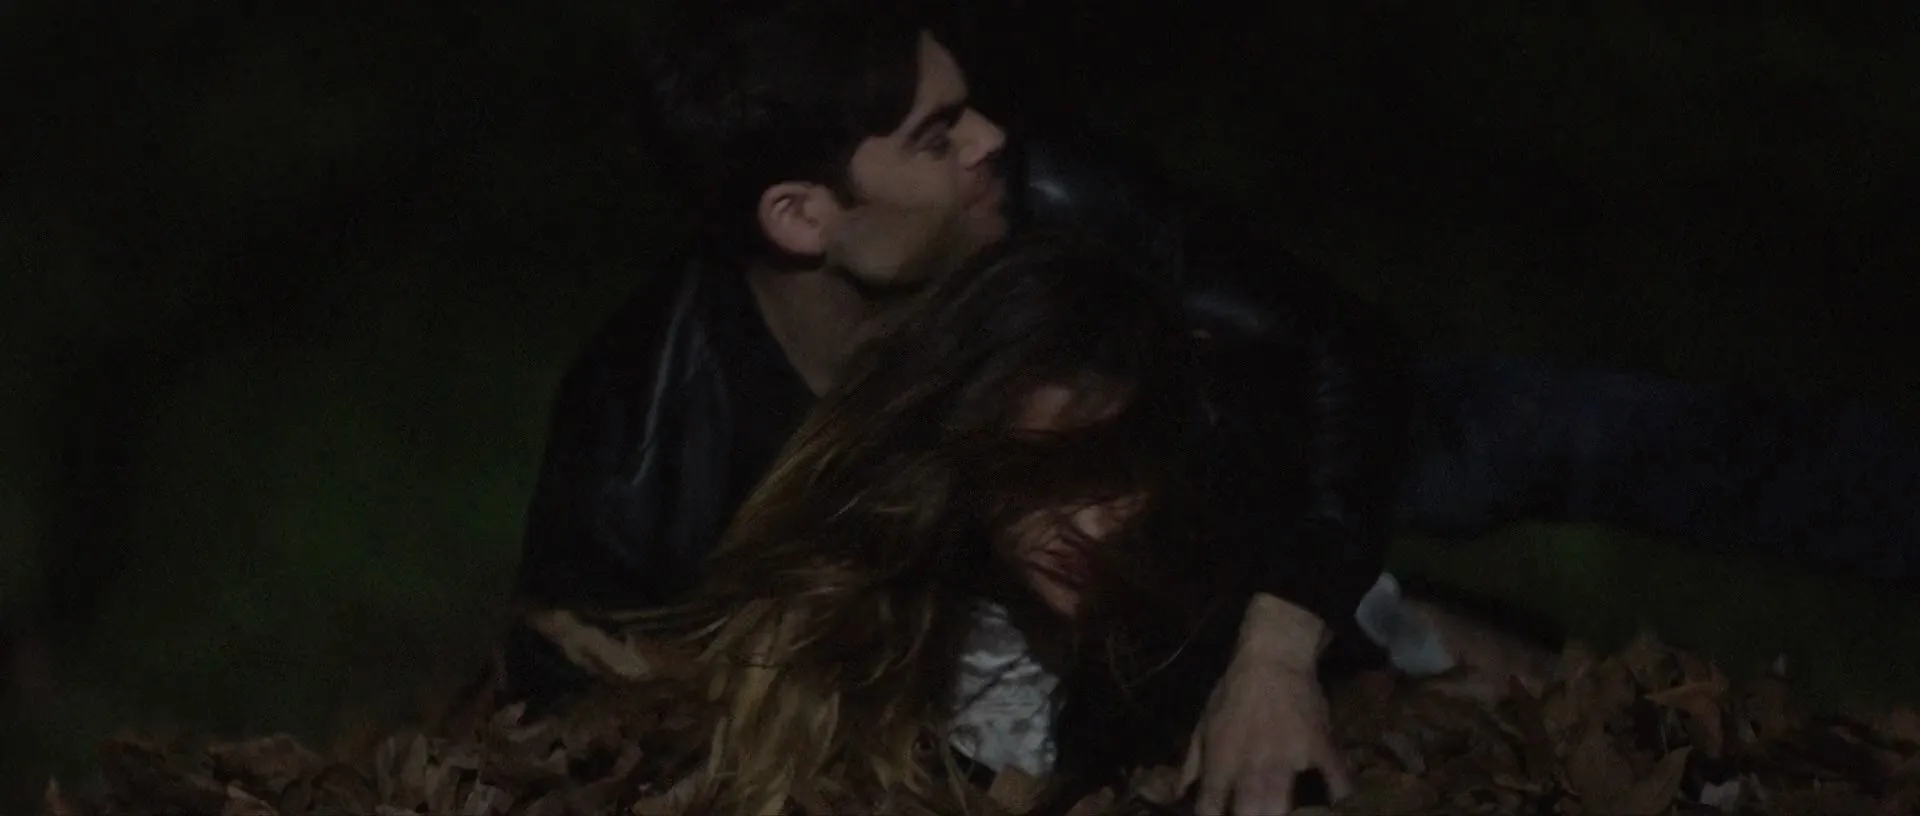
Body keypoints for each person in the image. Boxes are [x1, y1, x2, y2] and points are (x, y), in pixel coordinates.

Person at [507, 0, 1920, 812]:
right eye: (936, 135)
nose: (990, 137)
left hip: (1233, 442)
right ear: (803, 215)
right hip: (1066, 600)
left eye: (970, 105)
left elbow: (1335, 355)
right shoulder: (646, 444)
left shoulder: (1042, 192)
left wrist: (1280, 639)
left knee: (1544, 434)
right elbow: (576, 710)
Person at [587, 232, 1473, 815]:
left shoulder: (1185, 601)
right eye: (1048, 476)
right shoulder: (849, 607)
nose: (1090, 523)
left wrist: (1277, 653)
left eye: (1118, 479)